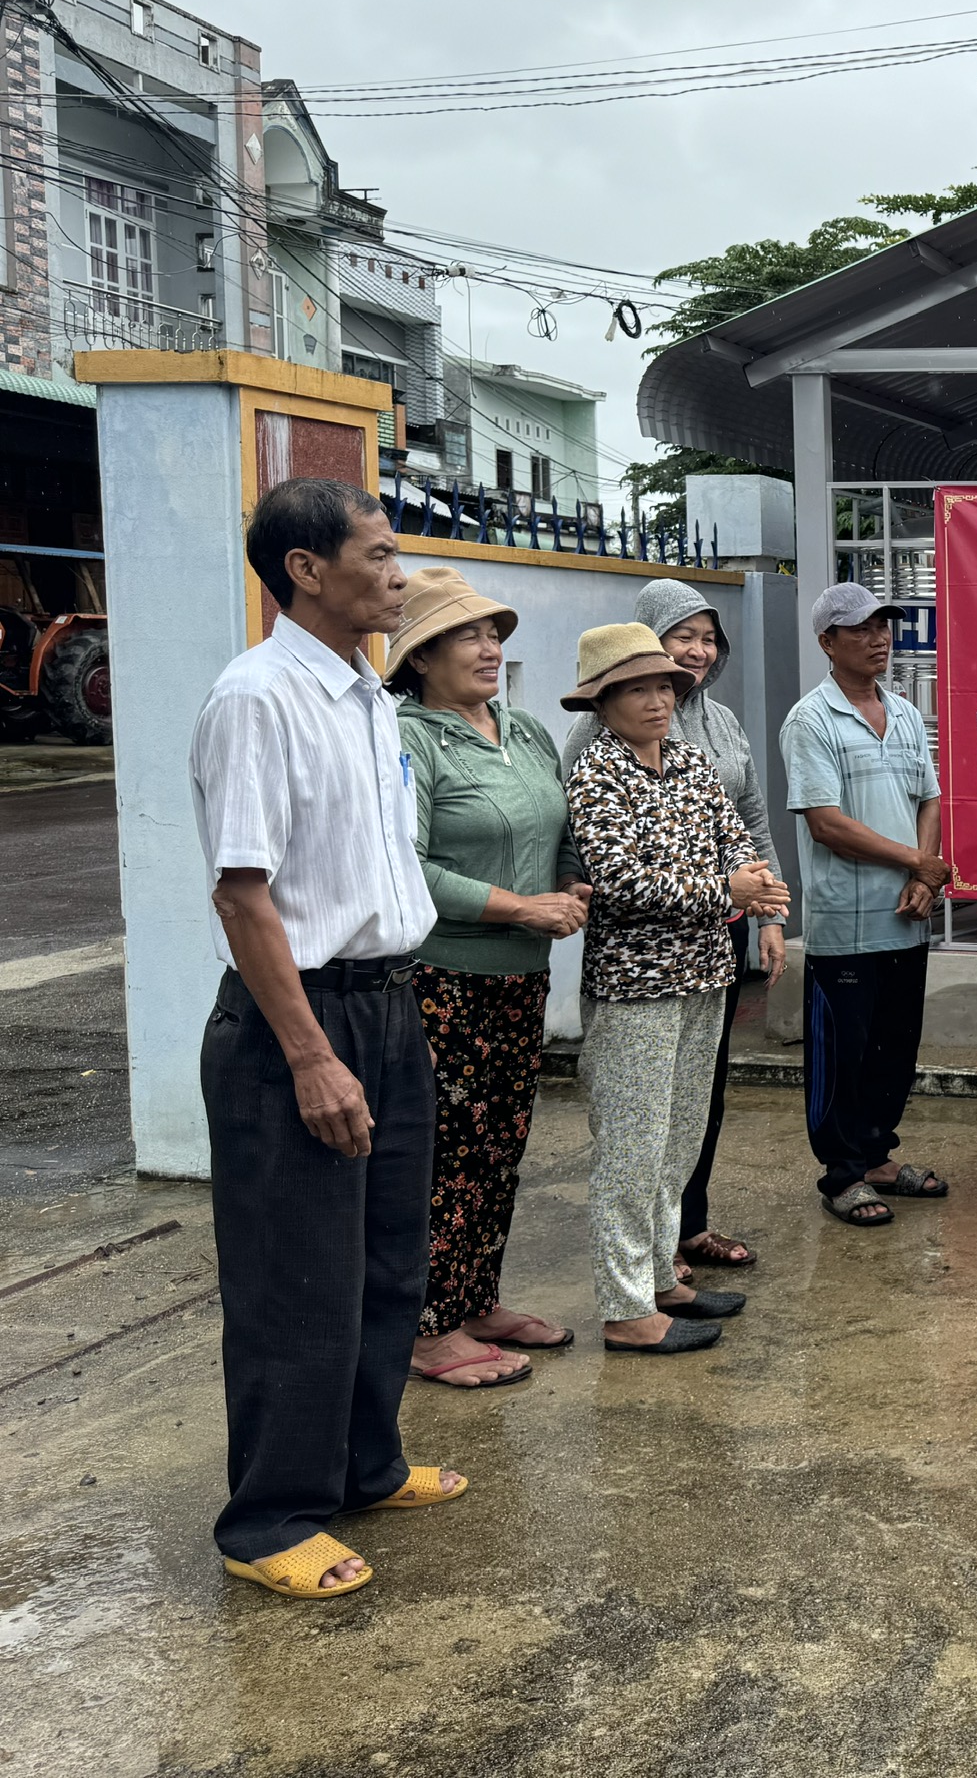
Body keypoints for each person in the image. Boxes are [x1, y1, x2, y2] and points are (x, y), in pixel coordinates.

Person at [189, 477, 461, 1600]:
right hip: (295, 1017)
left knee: (387, 1261)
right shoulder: (258, 697)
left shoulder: (368, 696)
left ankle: (362, 1465)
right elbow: (244, 894)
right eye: (379, 555)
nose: (401, 576)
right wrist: (309, 1055)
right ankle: (269, 1519)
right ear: (305, 569)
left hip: (386, 1004)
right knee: (296, 1280)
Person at [564, 624, 790, 1352]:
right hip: (636, 985)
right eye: (637, 689)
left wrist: (753, 882)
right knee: (631, 1147)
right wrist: (727, 890)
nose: (657, 700)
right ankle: (625, 1307)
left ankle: (660, 1275)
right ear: (603, 702)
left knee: (678, 1138)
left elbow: (735, 836)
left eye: (663, 686)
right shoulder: (596, 773)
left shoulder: (690, 760)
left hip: (705, 974)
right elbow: (622, 882)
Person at [390, 569, 587, 1390]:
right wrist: (520, 908)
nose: (488, 648)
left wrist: (570, 885)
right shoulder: (408, 737)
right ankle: (427, 1329)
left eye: (493, 634)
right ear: (421, 656)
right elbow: (407, 865)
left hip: (520, 979)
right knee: (448, 1156)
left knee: (500, 1148)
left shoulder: (526, 730)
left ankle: (475, 1300)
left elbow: (563, 826)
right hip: (446, 981)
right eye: (466, 635)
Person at [782, 581, 950, 1229]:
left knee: (893, 1049)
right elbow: (826, 823)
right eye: (862, 629)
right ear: (827, 642)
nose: (880, 639)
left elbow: (929, 799)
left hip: (906, 917)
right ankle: (842, 1172)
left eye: (884, 626)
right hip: (845, 924)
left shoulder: (903, 712)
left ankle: (877, 1157)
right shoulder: (811, 720)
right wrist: (916, 862)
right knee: (842, 1054)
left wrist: (924, 877)